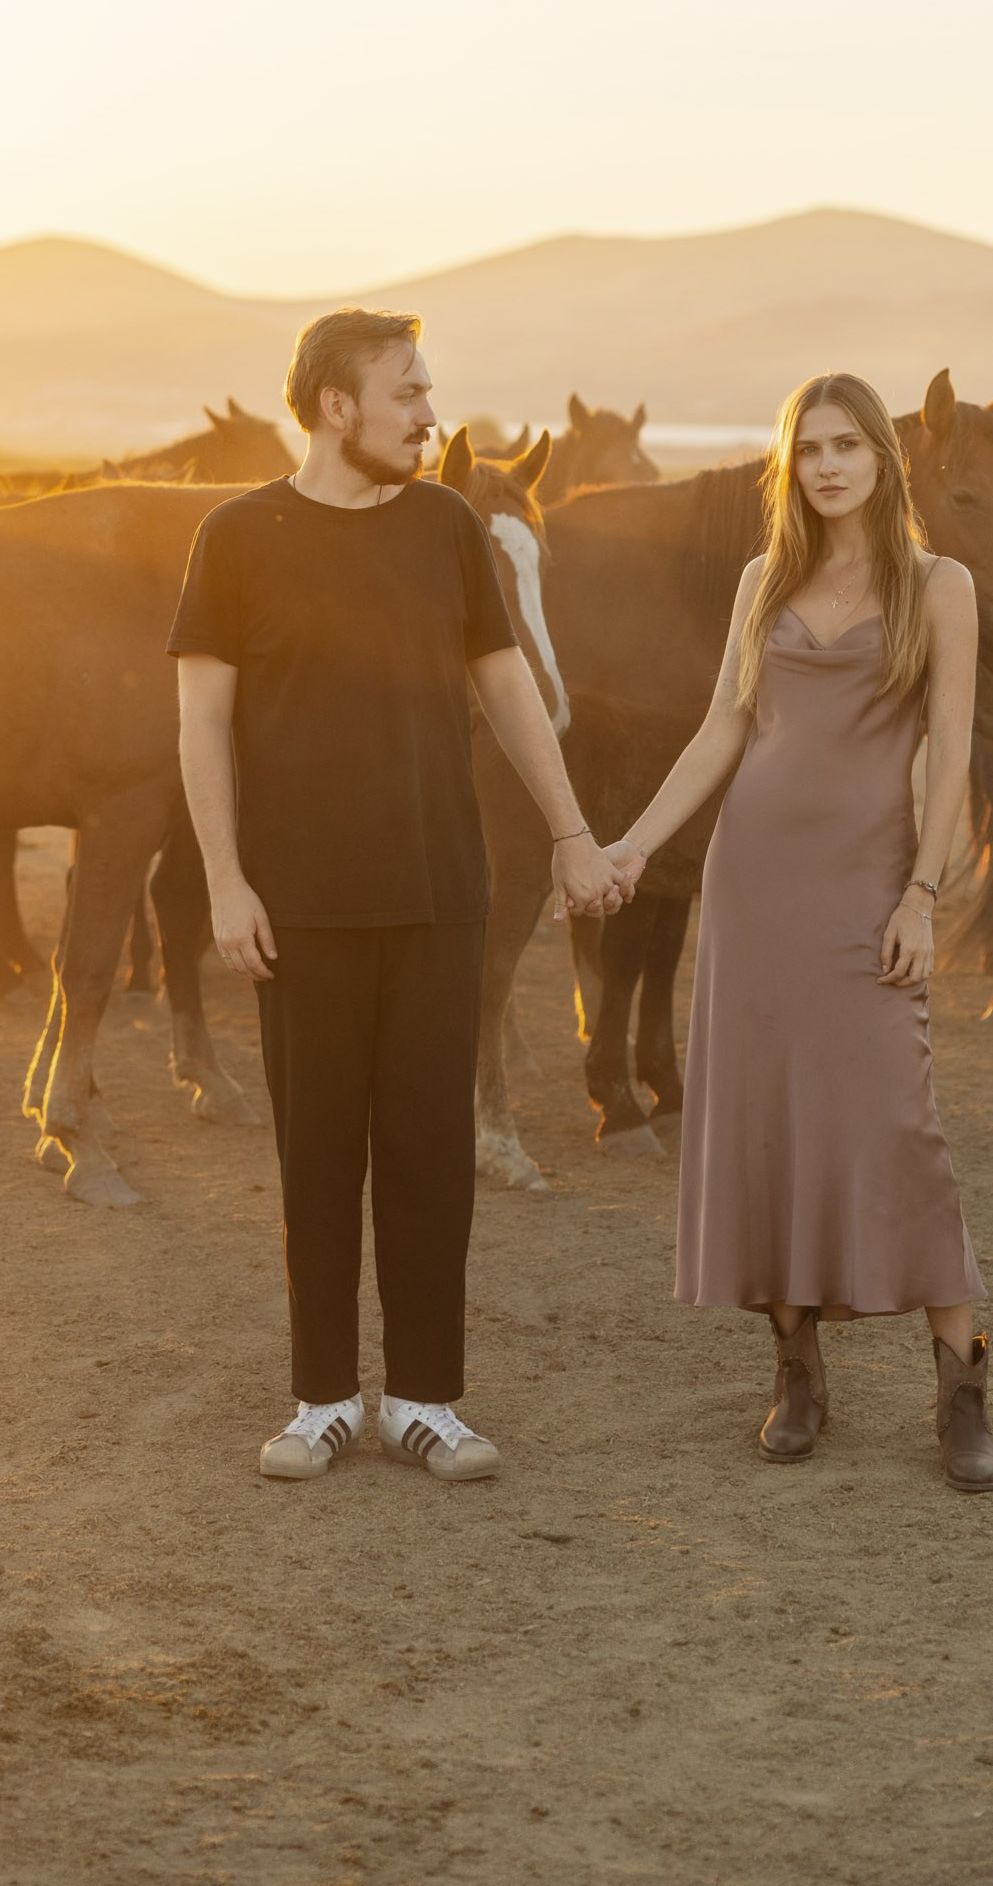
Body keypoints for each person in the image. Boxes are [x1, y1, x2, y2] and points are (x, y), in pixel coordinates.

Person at [170, 307, 633, 1486]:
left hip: (440, 894)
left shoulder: (445, 527)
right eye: (410, 393)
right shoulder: (235, 538)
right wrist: (225, 882)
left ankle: (426, 1400)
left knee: (430, 1154)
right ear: (337, 406)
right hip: (300, 908)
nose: (432, 415)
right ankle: (323, 1399)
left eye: (428, 392)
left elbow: (509, 688)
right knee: (317, 1156)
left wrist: (574, 833)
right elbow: (202, 727)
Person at [611, 371, 993, 1487]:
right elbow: (721, 731)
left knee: (899, 1125)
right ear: (792, 467)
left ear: (885, 458)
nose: (827, 465)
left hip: (871, 887)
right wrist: (634, 846)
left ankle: (961, 1381)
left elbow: (952, 754)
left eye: (847, 446)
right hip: (755, 888)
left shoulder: (941, 585)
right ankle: (796, 1369)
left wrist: (923, 894)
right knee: (767, 1125)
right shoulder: (762, 579)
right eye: (808, 449)